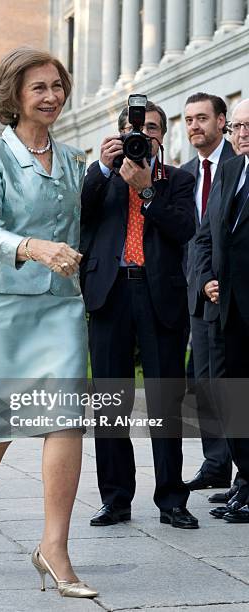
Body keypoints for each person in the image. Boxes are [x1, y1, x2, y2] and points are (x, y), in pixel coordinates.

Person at [0, 47, 98, 598]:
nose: (53, 95)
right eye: (40, 87)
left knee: (65, 419)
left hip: (59, 304)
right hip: (0, 303)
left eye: (58, 85)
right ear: (14, 96)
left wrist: (137, 180)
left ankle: (54, 547)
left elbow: (96, 222)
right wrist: (34, 247)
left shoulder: (76, 160)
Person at [80, 101, 199, 529]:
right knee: (111, 402)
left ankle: (171, 499)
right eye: (133, 128)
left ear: (162, 136)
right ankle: (115, 499)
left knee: (166, 400)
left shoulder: (179, 181)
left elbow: (185, 229)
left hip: (159, 298)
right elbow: (78, 217)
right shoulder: (100, 179)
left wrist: (147, 190)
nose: (142, 135)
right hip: (110, 295)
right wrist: (102, 167)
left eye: (150, 128)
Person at [196, 98, 249, 523]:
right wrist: (205, 280)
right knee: (232, 400)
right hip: (224, 310)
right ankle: (245, 481)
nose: (242, 133)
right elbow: (204, 238)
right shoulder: (230, 170)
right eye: (237, 126)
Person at [182, 93, 235, 492]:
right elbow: (194, 239)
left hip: (237, 296)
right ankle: (216, 463)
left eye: (202, 118)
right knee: (204, 382)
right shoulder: (185, 175)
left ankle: (243, 470)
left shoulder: (240, 164)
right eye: (188, 120)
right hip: (201, 294)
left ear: (222, 121)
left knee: (236, 383)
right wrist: (202, 281)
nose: (194, 126)